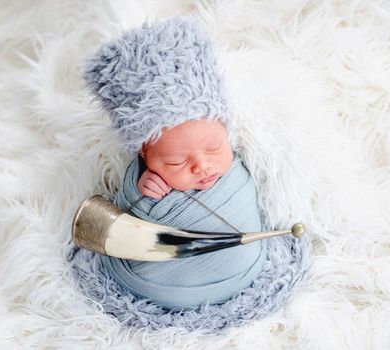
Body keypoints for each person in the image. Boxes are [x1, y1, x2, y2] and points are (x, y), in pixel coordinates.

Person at [84, 15, 267, 310]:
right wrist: (141, 190)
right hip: (159, 282)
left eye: (214, 147)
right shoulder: (145, 172)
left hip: (246, 263)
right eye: (177, 162)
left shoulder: (240, 152)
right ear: (145, 155)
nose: (202, 167)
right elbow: (128, 218)